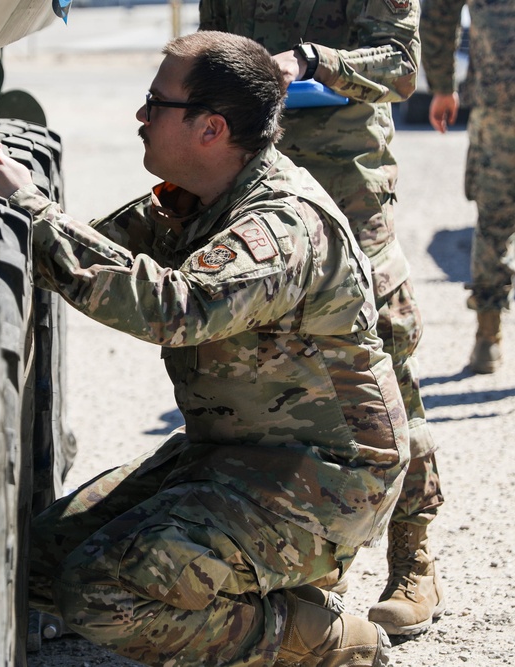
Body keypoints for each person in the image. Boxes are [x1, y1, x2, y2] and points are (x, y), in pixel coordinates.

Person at [0, 31, 406, 666]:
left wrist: (29, 205)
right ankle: (275, 580)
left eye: (154, 103)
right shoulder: (199, 198)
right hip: (235, 456)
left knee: (100, 591)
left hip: (327, 481)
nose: (140, 116)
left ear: (211, 128)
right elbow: (83, 259)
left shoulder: (281, 224)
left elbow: (175, 308)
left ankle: (317, 637)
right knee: (34, 566)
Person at [199, 0, 446, 637]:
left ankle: (412, 558)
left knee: (382, 366)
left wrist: (315, 62)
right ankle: (309, 560)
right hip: (258, 187)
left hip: (350, 192)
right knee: (275, 369)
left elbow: (399, 66)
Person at [424, 0, 515, 374]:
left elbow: (439, 14)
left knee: (494, 222)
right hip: (499, 106)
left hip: (499, 104)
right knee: (493, 221)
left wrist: (443, 86)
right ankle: (487, 337)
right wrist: (443, 84)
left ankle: (487, 338)